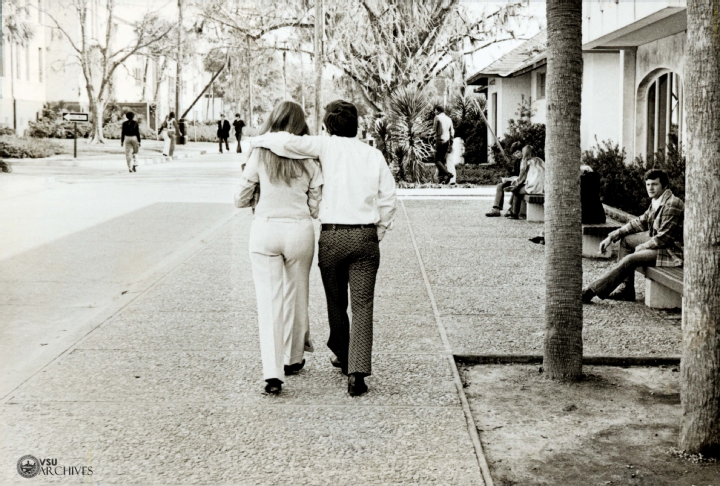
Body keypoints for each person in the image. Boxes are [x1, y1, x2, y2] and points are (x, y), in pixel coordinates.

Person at [251, 100, 397, 397]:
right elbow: (388, 199)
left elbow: (284, 141)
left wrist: (255, 141)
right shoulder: (374, 155)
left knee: (336, 302)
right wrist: (378, 231)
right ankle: (356, 373)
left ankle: (342, 355)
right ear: (357, 125)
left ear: (328, 126)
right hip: (365, 238)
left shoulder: (323, 147)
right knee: (363, 305)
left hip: (332, 237)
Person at [234, 101, 323, 395]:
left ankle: (272, 374)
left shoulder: (259, 153)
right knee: (297, 296)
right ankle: (293, 358)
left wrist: (258, 194)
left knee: (268, 302)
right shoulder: (310, 158)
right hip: (299, 230)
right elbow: (315, 204)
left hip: (265, 229)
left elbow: (240, 198)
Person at [582, 169, 684, 303]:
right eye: (648, 184)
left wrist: (642, 247)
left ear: (664, 186)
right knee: (626, 240)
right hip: (657, 243)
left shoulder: (672, 204)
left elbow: (663, 238)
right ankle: (627, 289)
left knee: (631, 259)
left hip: (671, 251)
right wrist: (612, 236)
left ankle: (592, 291)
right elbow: (640, 222)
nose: (650, 188)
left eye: (654, 184)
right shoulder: (657, 201)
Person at [529, 164, 605, 245]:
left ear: (583, 173)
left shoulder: (581, 183)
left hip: (587, 216)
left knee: (559, 215)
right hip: (599, 216)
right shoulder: (594, 182)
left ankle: (544, 236)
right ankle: (544, 236)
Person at [504, 145, 545, 219]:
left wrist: (515, 184)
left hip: (534, 187)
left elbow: (522, 177)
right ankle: (516, 211)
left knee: (516, 191)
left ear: (525, 153)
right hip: (543, 187)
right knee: (518, 189)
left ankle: (514, 213)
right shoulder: (540, 160)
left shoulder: (526, 162)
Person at [486, 142, 524, 217]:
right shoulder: (517, 161)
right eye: (515, 154)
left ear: (522, 151)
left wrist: (514, 179)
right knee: (500, 186)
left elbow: (524, 175)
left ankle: (512, 210)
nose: (517, 155)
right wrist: (508, 179)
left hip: (522, 182)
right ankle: (496, 209)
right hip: (516, 180)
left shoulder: (525, 160)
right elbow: (515, 174)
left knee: (515, 188)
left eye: (518, 152)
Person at [433, 106, 455, 184]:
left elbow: (434, 130)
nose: (434, 112)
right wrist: (451, 144)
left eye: (435, 111)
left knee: (436, 160)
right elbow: (452, 132)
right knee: (442, 160)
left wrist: (432, 140)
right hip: (447, 141)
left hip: (439, 140)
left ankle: (448, 174)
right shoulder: (449, 119)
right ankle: (442, 179)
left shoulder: (437, 117)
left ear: (438, 111)